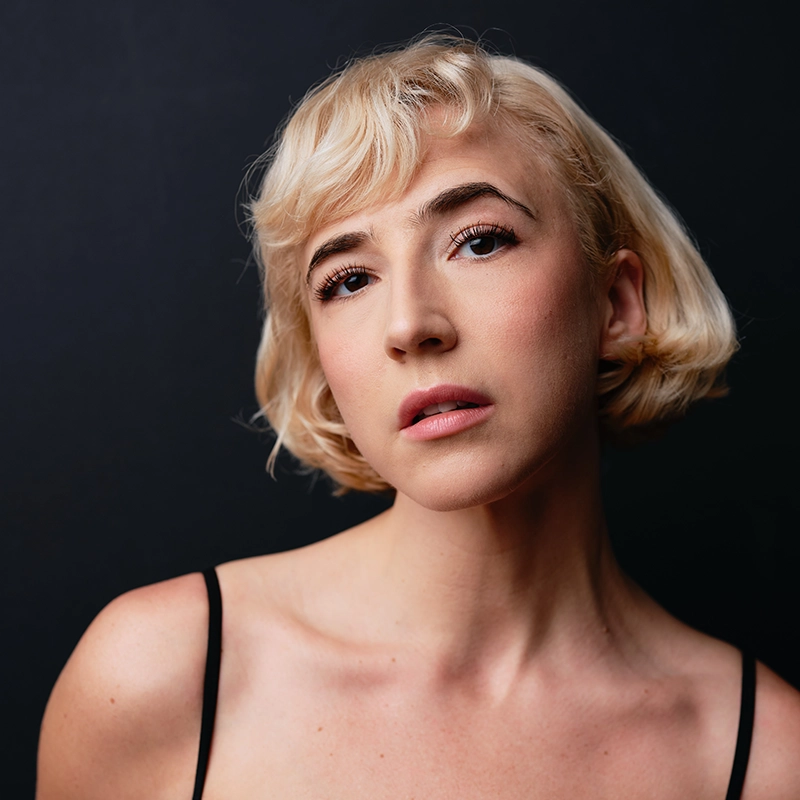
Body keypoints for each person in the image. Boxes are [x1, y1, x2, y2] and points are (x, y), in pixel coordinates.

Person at [36, 35, 800, 799]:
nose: (409, 324)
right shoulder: (163, 679)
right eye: (348, 280)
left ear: (616, 304)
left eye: (479, 242)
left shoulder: (765, 759)